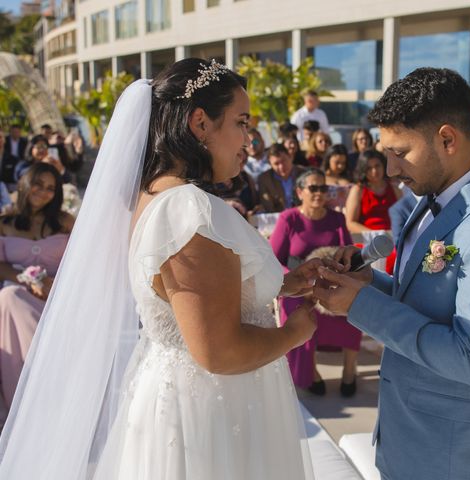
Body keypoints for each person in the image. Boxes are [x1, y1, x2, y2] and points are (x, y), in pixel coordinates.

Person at [0, 59, 320, 479]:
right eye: (241, 122)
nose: (249, 138)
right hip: (211, 413)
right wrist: (296, 332)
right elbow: (216, 351)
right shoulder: (187, 208)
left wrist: (287, 283)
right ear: (200, 123)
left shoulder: (155, 197)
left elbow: (205, 294)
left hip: (198, 400)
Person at [313, 67, 470, 480]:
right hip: (405, 439)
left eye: (400, 152)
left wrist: (360, 306)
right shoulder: (431, 195)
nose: (391, 168)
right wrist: (369, 282)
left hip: (452, 458)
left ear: (448, 139)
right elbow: (421, 298)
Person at [270, 169, 359, 397]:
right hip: (297, 286)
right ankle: (311, 373)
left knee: (353, 308)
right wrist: (298, 282)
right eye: (313, 188)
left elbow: (348, 255)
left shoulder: (337, 218)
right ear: (300, 191)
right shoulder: (288, 219)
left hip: (330, 282)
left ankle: (350, 369)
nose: (319, 193)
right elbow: (273, 259)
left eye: (323, 188)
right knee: (296, 310)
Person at [0, 163, 73, 421]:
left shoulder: (64, 222)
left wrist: (55, 282)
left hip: (59, 298)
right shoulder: (5, 222)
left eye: (50, 188)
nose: (43, 192)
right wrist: (25, 279)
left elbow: (84, 260)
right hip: (16, 296)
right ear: (25, 183)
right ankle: (24, 404)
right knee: (9, 298)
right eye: (38, 184)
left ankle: (49, 387)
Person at [345, 149, 402, 233]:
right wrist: (375, 236)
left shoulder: (395, 189)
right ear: (363, 170)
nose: (374, 171)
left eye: (377, 166)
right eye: (369, 168)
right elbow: (350, 223)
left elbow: (404, 218)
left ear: (383, 165)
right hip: (367, 241)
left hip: (393, 238)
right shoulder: (358, 190)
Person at [257, 143, 306, 213]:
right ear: (270, 164)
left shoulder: (304, 174)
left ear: (290, 157)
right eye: (276, 164)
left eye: (284, 161)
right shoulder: (264, 179)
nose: (281, 166)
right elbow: (268, 206)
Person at [322, 144, 352, 211]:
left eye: (343, 163)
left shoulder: (350, 176)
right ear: (328, 160)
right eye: (337, 162)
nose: (340, 166)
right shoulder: (321, 178)